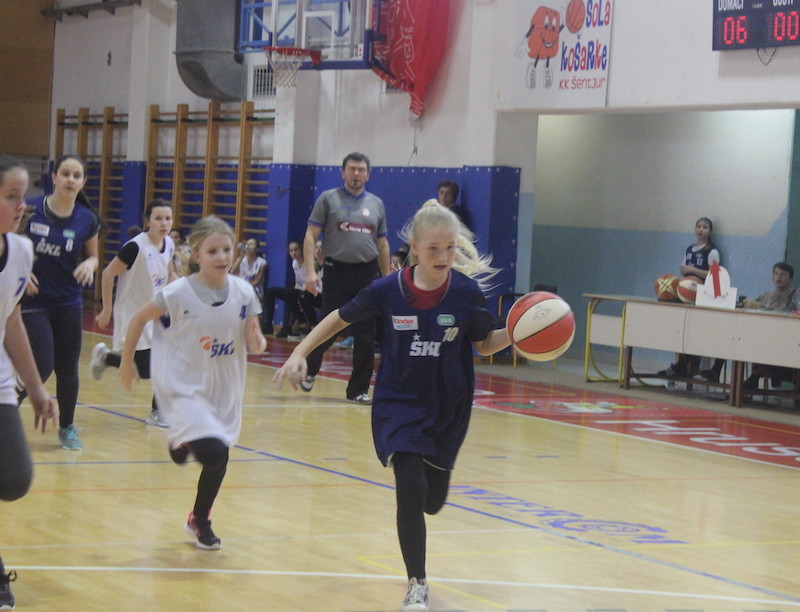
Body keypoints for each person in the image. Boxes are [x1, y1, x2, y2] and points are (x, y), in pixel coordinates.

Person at [274, 200, 510, 611]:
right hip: (399, 404)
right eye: (433, 248)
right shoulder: (388, 290)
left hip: (448, 406)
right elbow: (338, 318)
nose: (443, 256)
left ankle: (430, 501)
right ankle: (417, 583)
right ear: (414, 248)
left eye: (449, 248)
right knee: (410, 488)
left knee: (432, 501)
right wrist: (300, 352)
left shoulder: (466, 293)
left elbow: (485, 343)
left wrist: (519, 333)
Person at [120, 215, 266, 550]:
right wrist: (127, 362)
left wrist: (258, 342)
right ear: (196, 254)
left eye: (227, 249)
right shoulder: (178, 293)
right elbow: (139, 319)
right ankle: (189, 453)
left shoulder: (244, 292)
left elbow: (253, 337)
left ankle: (197, 516)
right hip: (183, 386)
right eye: (212, 251)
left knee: (219, 458)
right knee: (215, 454)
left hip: (225, 387)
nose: (222, 256)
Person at [0, 156, 59, 610]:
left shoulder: (20, 251)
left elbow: (12, 321)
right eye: (11, 197)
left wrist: (36, 388)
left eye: (24, 196)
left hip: (0, 380)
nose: (23, 206)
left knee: (14, 479)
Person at [18, 155, 100, 450]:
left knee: (68, 368)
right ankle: (7, 407)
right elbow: (6, 244)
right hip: (33, 299)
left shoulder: (87, 219)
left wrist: (90, 264)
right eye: (65, 173)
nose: (70, 179)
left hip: (68, 301)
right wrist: (20, 271)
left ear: (83, 182)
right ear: (53, 177)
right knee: (42, 363)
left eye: (76, 175)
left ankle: (67, 428)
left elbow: (94, 256)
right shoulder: (30, 209)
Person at [301, 152, 391, 404]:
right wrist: (310, 273)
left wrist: (387, 278)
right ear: (343, 172)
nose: (356, 174)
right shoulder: (328, 199)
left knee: (365, 333)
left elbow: (382, 243)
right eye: (352, 169)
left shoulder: (376, 204)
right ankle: (309, 370)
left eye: (361, 170)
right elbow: (311, 236)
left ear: (368, 175)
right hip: (336, 271)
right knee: (328, 328)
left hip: (367, 273)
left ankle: (358, 390)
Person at [91, 199, 177, 427]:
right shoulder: (135, 247)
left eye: (168, 218)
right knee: (145, 369)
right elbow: (108, 274)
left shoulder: (169, 243)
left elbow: (170, 273)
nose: (164, 223)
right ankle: (106, 357)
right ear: (148, 221)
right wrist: (107, 308)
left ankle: (158, 412)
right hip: (133, 314)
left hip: (157, 312)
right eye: (158, 218)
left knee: (166, 362)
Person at [657, 217, 723, 381]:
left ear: (710, 231)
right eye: (699, 226)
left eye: (705, 227)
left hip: (702, 295)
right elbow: (684, 271)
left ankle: (688, 366)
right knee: (683, 329)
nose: (701, 229)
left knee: (696, 332)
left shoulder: (712, 251)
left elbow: (714, 275)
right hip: (686, 294)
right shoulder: (689, 249)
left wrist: (692, 270)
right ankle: (681, 365)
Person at [739, 262, 796, 390]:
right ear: (772, 278)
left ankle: (756, 376)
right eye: (776, 274)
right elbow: (752, 305)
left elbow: (786, 312)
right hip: (762, 334)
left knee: (766, 344)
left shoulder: (794, 294)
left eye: (783, 274)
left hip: (783, 337)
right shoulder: (766, 295)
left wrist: (760, 306)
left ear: (791, 279)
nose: (779, 277)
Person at [262, 240, 316, 338]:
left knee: (289, 295)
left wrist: (298, 293)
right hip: (299, 290)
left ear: (301, 250)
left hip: (310, 292)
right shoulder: (294, 263)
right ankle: (268, 326)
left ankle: (293, 326)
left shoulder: (309, 262)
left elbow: (311, 282)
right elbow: (297, 282)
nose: (293, 253)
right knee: (270, 291)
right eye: (291, 251)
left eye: (296, 250)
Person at [231, 237, 268, 302]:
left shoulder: (262, 263)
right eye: (247, 244)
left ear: (257, 249)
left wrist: (241, 284)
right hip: (240, 289)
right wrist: (240, 257)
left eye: (251, 244)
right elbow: (232, 272)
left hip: (254, 291)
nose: (248, 246)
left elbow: (256, 282)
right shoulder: (241, 260)